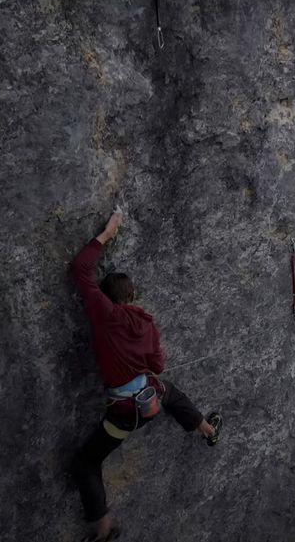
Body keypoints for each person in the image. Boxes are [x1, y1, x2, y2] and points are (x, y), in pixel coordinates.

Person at [69, 209, 221, 542]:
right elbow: (159, 366)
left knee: (85, 464)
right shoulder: (148, 324)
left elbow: (80, 269)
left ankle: (104, 526)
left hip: (124, 414)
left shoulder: (104, 313)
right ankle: (207, 429)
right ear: (132, 296)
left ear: (106, 298)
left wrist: (107, 235)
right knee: (170, 391)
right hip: (149, 394)